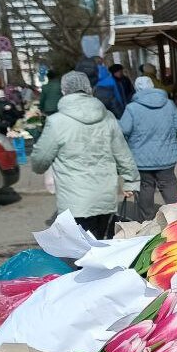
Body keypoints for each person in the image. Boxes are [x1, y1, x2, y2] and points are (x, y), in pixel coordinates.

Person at [31, 70, 140, 240]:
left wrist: (38, 166)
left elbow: (40, 160)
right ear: (89, 89)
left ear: (64, 91)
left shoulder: (57, 122)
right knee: (104, 244)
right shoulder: (108, 117)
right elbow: (122, 152)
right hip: (105, 197)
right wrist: (131, 181)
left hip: (74, 200)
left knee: (80, 250)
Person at [119, 76, 177, 221]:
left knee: (146, 188)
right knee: (169, 186)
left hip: (142, 159)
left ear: (137, 89)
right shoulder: (169, 104)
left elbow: (123, 129)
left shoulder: (132, 108)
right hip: (167, 156)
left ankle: (146, 222)